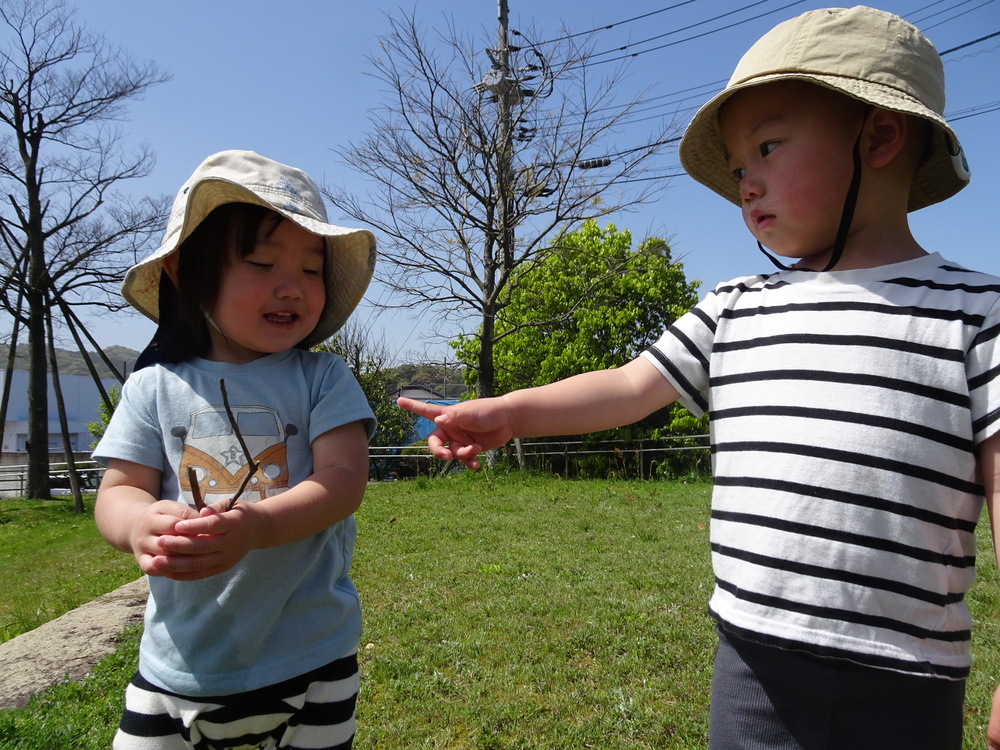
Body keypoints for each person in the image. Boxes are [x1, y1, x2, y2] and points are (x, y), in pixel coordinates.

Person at [399, 7, 1000, 749]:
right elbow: (627, 387)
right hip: (751, 660)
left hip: (905, 678)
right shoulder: (735, 307)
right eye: (740, 166)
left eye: (768, 147)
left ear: (879, 136)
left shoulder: (975, 314)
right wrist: (514, 413)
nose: (746, 183)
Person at [93, 150, 378, 750]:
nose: (291, 286)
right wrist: (140, 523)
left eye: (310, 269)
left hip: (312, 660)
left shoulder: (322, 379)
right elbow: (117, 492)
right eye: (261, 261)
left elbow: (343, 480)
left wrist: (255, 525)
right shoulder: (152, 387)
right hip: (178, 667)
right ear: (181, 271)